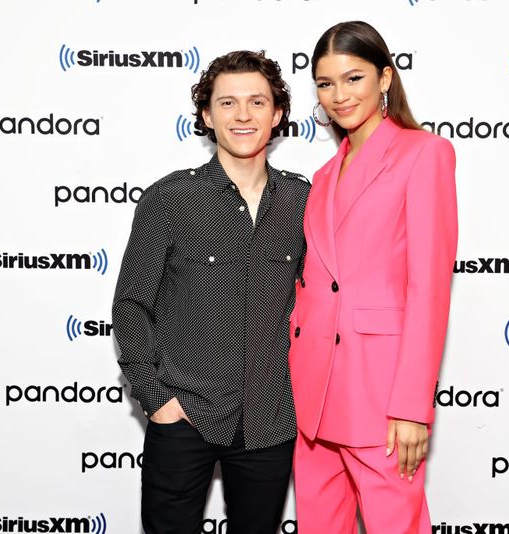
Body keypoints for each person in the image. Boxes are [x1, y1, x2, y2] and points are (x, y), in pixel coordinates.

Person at [111, 50, 309, 534]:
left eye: (257, 102)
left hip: (272, 420)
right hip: (184, 416)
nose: (243, 115)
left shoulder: (305, 202)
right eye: (228, 103)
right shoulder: (170, 198)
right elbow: (132, 305)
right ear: (206, 115)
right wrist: (156, 399)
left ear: (277, 113)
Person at [288, 21, 458, 534]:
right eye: (325, 83)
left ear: (385, 78)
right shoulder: (322, 175)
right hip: (311, 398)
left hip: (380, 395)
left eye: (353, 78)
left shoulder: (423, 153)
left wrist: (412, 407)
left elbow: (428, 289)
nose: (339, 96)